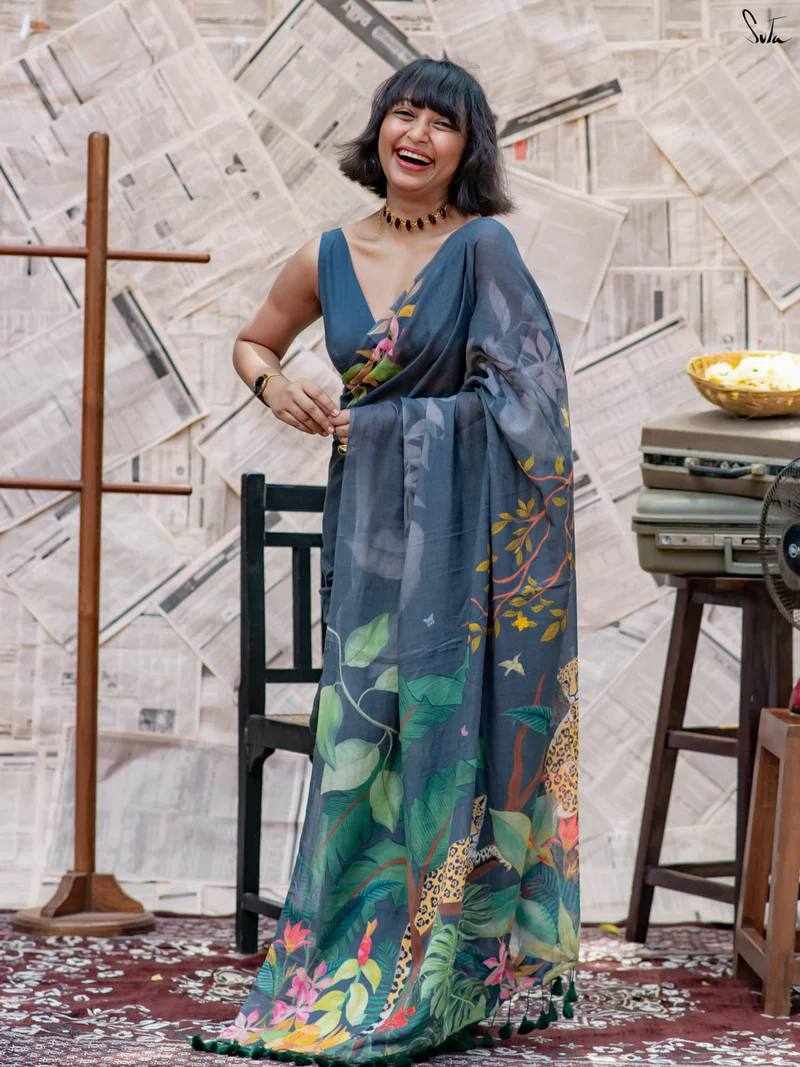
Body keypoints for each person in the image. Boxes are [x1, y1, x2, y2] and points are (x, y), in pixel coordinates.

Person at [192, 57, 580, 1064]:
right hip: (369, 540)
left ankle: (451, 964)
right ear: (378, 132)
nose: (416, 133)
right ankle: (355, 956)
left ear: (467, 149)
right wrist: (271, 384)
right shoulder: (326, 253)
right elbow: (252, 341)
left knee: (450, 732)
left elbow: (532, 407)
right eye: (402, 113)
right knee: (364, 740)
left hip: (467, 559)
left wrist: (389, 425)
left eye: (441, 122)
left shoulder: (483, 249)